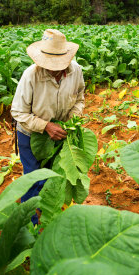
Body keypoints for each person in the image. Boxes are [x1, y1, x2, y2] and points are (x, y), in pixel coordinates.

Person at [11, 29, 85, 224]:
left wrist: (72, 120)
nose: (53, 68)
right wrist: (45, 126)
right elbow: (18, 113)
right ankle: (30, 226)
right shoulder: (30, 75)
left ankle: (50, 215)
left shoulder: (76, 70)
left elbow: (79, 98)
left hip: (61, 134)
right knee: (34, 179)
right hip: (30, 134)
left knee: (54, 178)